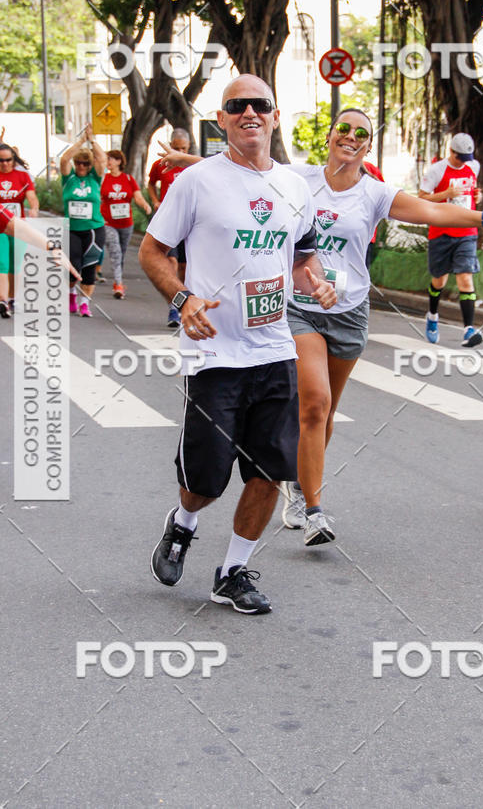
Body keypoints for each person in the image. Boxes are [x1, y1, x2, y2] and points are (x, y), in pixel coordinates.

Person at [276, 112, 483, 544]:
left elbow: (432, 210)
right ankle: (312, 509)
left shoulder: (375, 193)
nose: (350, 138)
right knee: (313, 403)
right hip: (302, 306)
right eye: (343, 130)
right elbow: (245, 171)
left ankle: (299, 480)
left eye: (361, 134)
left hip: (350, 311)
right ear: (330, 136)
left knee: (329, 409)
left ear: (368, 146)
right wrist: (187, 158)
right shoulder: (300, 179)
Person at [139, 74, 336, 615]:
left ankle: (232, 571)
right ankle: (183, 524)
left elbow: (300, 260)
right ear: (222, 120)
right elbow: (152, 252)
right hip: (214, 355)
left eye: (261, 104)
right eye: (236, 106)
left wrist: (315, 282)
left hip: (274, 350)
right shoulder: (197, 181)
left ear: (275, 115)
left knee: (271, 468)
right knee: (205, 479)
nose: (250, 112)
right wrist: (183, 301)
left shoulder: (297, 187)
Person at [418, 133, 483, 347]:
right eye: (459, 158)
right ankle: (433, 316)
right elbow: (421, 199)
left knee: (465, 278)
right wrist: (445, 193)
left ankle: (468, 330)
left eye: (467, 157)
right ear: (451, 152)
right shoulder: (436, 170)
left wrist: (477, 196)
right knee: (440, 281)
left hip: (466, 231)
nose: (464, 162)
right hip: (441, 232)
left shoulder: (474, 166)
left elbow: (474, 191)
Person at [60, 124, 106, 317]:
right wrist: (80, 142)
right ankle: (71, 294)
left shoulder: (95, 179)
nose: (81, 166)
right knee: (73, 264)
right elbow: (64, 159)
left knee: (89, 267)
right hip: (72, 228)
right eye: (79, 163)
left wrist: (92, 139)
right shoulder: (68, 179)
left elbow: (102, 159)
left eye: (86, 164)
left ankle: (85, 303)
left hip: (94, 228)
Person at [148, 129, 192, 327]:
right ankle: (174, 308)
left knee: (184, 267)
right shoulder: (161, 164)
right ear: (171, 145)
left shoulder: (193, 166)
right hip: (170, 220)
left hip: (191, 223)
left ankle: (183, 302)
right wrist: (155, 200)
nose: (179, 151)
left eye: (183, 148)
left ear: (188, 147)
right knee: (171, 262)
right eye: (176, 147)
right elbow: (151, 183)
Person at [101, 149, 152, 298]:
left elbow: (137, 197)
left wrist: (145, 206)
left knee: (121, 253)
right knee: (115, 251)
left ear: (119, 161)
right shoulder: (104, 179)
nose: (108, 162)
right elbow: (97, 198)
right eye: (107, 159)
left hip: (126, 224)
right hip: (108, 222)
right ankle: (118, 284)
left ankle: (119, 279)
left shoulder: (128, 179)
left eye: (110, 159)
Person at [0, 143, 39, 318]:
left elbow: (32, 197)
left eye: (8, 160)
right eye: (1, 161)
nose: (5, 164)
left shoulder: (22, 176)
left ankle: (12, 298)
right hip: (1, 227)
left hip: (17, 226)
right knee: (2, 263)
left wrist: (34, 209)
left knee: (15, 265)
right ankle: (3, 300)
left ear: (14, 159)